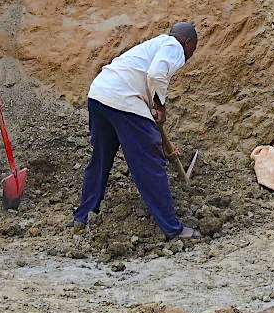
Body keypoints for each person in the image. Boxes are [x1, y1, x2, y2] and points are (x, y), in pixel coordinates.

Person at [76, 22, 200, 242]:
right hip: (123, 100)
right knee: (150, 164)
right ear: (188, 42)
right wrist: (159, 105)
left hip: (99, 95)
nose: (190, 55)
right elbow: (156, 75)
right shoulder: (174, 46)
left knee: (100, 159)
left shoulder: (155, 44)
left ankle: (83, 216)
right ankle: (173, 229)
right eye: (193, 49)